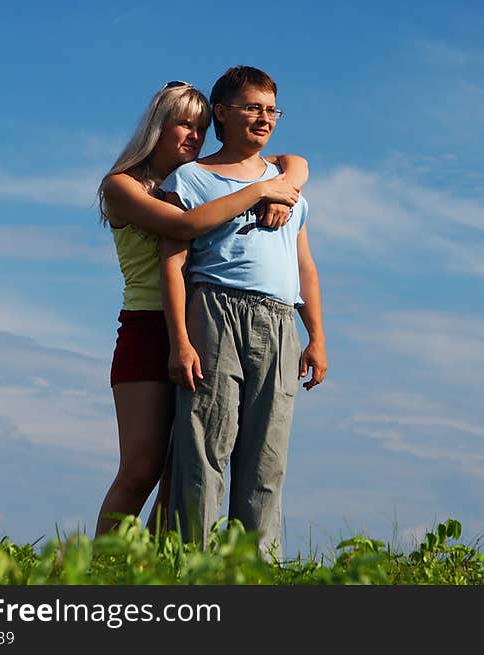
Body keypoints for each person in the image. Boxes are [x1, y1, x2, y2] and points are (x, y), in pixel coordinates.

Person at [94, 80, 309, 538]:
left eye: (200, 128)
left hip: (201, 326)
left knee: (184, 469)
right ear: (157, 127)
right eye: (182, 125)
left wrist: (285, 182)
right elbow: (187, 226)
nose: (193, 136)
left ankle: (154, 572)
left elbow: (294, 162)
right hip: (149, 329)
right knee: (143, 466)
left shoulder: (202, 183)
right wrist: (260, 192)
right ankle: (100, 570)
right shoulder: (122, 187)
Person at [160, 66, 327, 559]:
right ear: (223, 112)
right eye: (253, 107)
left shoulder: (287, 183)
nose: (265, 118)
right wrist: (180, 341)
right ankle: (193, 567)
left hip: (278, 321)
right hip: (214, 311)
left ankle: (258, 569)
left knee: (267, 459)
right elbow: (173, 263)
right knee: (204, 449)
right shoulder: (190, 178)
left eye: (272, 109)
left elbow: (305, 264)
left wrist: (316, 335)